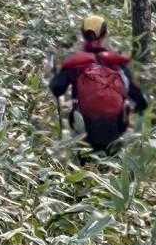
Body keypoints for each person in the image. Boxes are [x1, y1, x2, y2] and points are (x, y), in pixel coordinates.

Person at [50, 14, 147, 154]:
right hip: (116, 127)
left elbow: (57, 89)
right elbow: (138, 98)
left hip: (84, 127)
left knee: (83, 148)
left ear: (83, 35)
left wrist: (56, 76)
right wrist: (138, 108)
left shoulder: (75, 64)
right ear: (105, 34)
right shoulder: (116, 64)